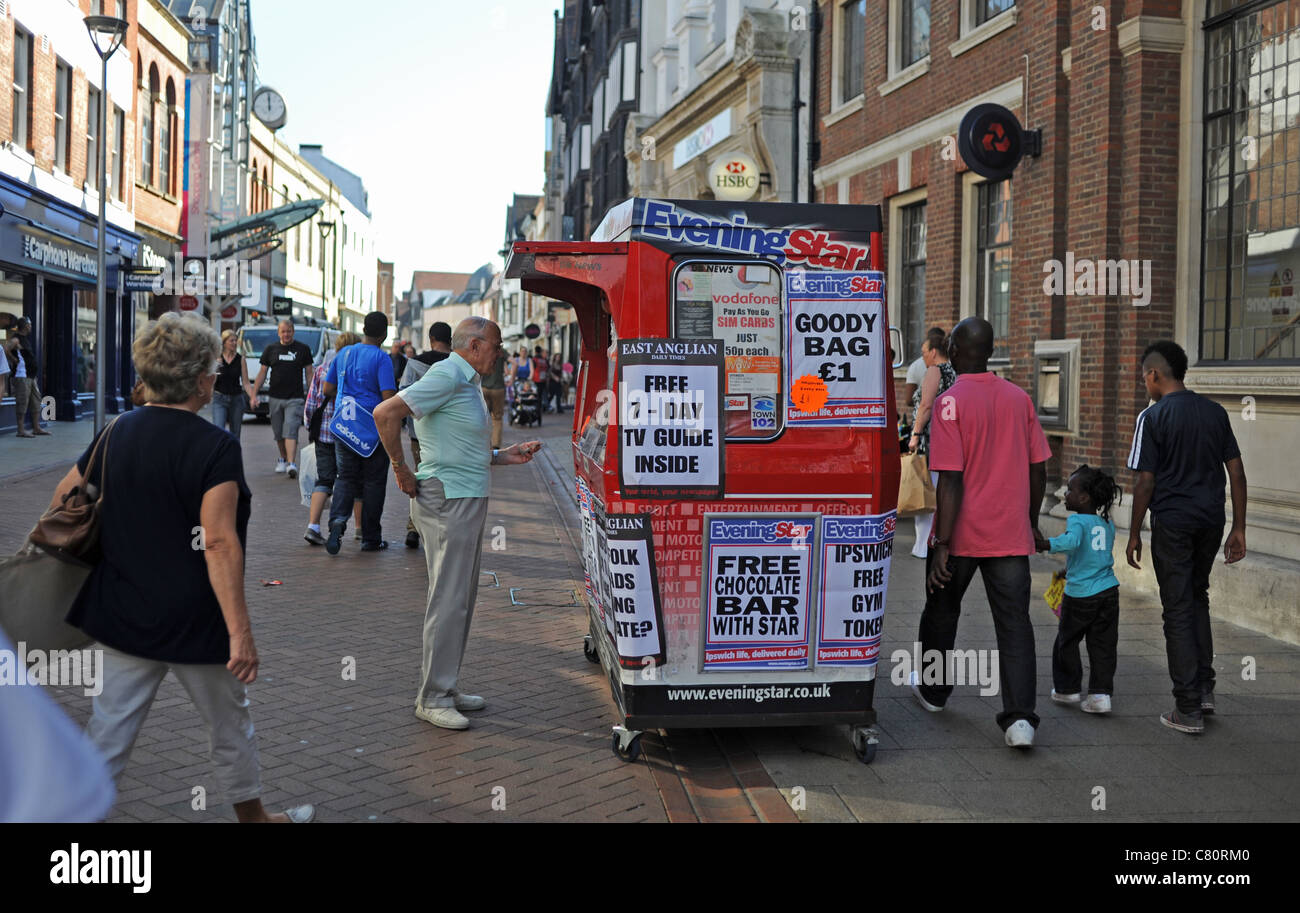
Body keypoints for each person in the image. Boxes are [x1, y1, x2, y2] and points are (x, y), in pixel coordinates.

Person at [50, 312, 313, 823]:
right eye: (213, 369)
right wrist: (241, 632)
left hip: (125, 609)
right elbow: (218, 541)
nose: (216, 377)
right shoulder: (214, 447)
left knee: (109, 731)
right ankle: (254, 820)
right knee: (229, 726)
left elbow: (65, 497)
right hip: (196, 616)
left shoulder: (117, 431)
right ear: (198, 381)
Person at [373, 317, 540, 730]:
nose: (501, 353)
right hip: (448, 499)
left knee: (458, 599)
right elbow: (385, 412)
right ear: (475, 345)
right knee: (448, 600)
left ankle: (445, 685)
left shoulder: (466, 381)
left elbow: (459, 444)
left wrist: (503, 455)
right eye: (497, 346)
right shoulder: (448, 374)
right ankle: (432, 696)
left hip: (464, 497)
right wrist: (400, 468)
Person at [913, 317, 1051, 749]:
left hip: (962, 536)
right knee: (1014, 624)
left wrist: (942, 544)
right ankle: (1021, 721)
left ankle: (934, 692)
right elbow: (1038, 468)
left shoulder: (949, 403)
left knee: (940, 611)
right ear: (989, 352)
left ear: (953, 352)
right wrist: (1030, 519)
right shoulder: (1018, 398)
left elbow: (950, 480)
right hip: (1009, 533)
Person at [1125, 340, 1247, 735]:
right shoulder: (1214, 412)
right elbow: (1237, 473)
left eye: (1145, 375)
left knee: (1176, 606)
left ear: (1155, 375)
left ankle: (1188, 707)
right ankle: (1204, 687)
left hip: (1173, 524)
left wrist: (1133, 533)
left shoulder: (1152, 417)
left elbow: (1145, 481)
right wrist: (1239, 527)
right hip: (1210, 521)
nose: (1145, 382)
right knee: (1197, 597)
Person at [1038, 465, 1123, 714]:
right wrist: (1069, 569)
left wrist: (1044, 544)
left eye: (1070, 490)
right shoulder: (1106, 523)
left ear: (1084, 498)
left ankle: (1067, 689)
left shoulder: (1076, 520)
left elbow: (1072, 542)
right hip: (1108, 591)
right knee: (1103, 645)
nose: (1065, 494)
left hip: (1080, 595)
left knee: (1067, 640)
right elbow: (1095, 555)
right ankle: (1100, 695)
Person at [324, 311, 398, 553]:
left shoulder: (344, 353)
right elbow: (388, 398)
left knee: (345, 476)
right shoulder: (382, 359)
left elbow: (327, 388)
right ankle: (370, 538)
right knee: (374, 482)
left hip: (344, 426)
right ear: (384, 334)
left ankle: (337, 521)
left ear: (364, 329)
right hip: (372, 430)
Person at [399, 322, 453, 549]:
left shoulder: (415, 363)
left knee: (422, 476)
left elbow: (404, 395)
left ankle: (414, 527)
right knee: (449, 480)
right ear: (450, 340)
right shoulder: (457, 364)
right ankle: (444, 528)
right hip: (451, 434)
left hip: (420, 435)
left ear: (431, 338)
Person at [302, 332, 359, 545]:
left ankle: (313, 526)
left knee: (324, 479)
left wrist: (312, 428)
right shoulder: (356, 371)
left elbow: (311, 404)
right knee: (350, 479)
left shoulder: (321, 370)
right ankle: (358, 529)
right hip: (349, 434)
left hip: (324, 434)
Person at [907, 327, 955, 559]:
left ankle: (924, 545)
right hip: (950, 441)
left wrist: (915, 434)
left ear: (934, 351)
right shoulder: (957, 371)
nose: (923, 355)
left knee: (927, 496)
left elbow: (925, 405)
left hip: (931, 441)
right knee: (943, 493)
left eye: (924, 351)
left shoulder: (935, 371)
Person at [250, 320, 313, 478]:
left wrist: (313, 393)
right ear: (278, 333)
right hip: (275, 397)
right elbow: (262, 373)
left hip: (295, 398)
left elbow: (309, 373)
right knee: (278, 433)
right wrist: (253, 394)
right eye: (283, 332)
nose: (286, 334)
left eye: (289, 331)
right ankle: (283, 458)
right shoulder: (271, 349)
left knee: (290, 430)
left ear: (293, 331)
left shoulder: (303, 349)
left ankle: (291, 463)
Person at [211, 329, 255, 438]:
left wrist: (253, 397)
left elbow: (246, 383)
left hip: (236, 399)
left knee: (235, 434)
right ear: (224, 343)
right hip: (219, 399)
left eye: (236, 341)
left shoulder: (241, 359)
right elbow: (212, 380)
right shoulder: (217, 359)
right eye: (231, 341)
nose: (234, 343)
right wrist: (217, 366)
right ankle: (219, 455)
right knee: (219, 430)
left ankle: (233, 455)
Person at [9, 318, 49, 437]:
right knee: (22, 402)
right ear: (26, 326)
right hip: (22, 376)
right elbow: (6, 349)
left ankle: (36, 428)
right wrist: (13, 359)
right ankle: (20, 430)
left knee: (36, 401)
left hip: (31, 377)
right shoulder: (16, 339)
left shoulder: (25, 339)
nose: (31, 327)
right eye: (30, 325)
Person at [481, 342, 508, 446]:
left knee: (483, 417)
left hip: (484, 388)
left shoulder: (484, 350)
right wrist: (512, 379)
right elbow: (514, 363)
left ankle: (484, 443)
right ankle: (496, 444)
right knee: (497, 418)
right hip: (498, 388)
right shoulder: (502, 352)